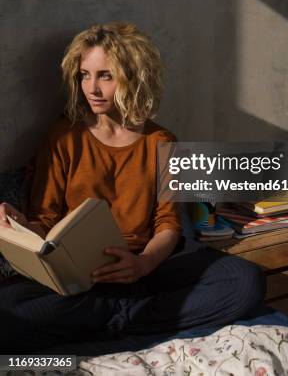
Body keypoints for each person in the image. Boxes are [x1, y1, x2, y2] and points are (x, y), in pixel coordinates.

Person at [0, 22, 265, 353]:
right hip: (84, 274)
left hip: (147, 264)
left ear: (133, 77)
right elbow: (46, 218)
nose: (91, 88)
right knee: (8, 311)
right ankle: (129, 318)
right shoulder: (63, 137)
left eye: (105, 76)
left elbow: (168, 224)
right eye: (84, 75)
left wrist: (143, 264)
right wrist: (22, 227)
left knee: (244, 281)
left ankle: (111, 320)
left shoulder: (161, 141)